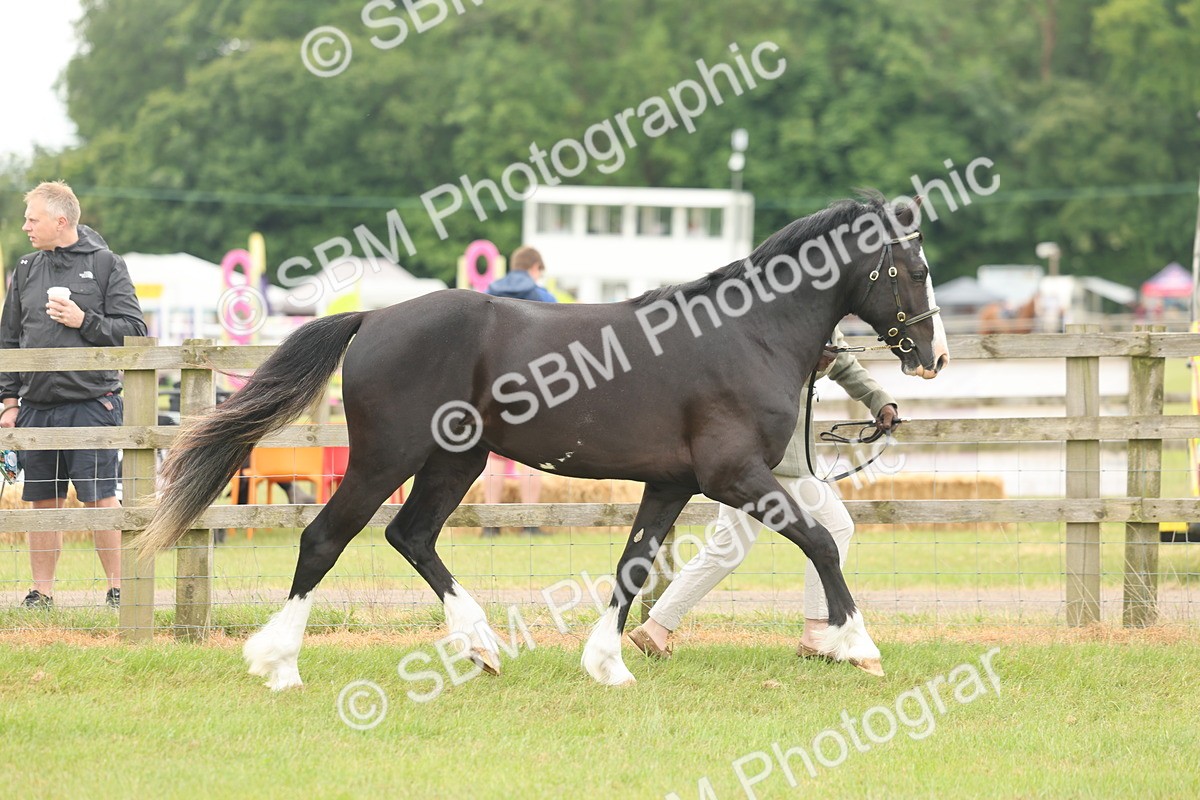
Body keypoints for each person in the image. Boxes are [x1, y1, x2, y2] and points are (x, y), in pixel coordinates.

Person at [627, 326, 899, 673]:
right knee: (835, 526)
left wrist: (880, 399)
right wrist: (810, 366)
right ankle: (816, 632)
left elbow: (845, 363)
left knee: (728, 546)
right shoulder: (773, 312)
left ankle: (656, 627)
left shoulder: (822, 313)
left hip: (761, 457)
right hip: (774, 457)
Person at [1, 181, 147, 609]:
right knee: (41, 501)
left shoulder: (106, 265)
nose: (25, 225)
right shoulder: (25, 268)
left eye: (32, 218)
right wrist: (9, 402)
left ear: (60, 221)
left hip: (93, 403)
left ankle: (120, 590)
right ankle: (41, 594)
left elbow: (134, 332)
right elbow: (9, 340)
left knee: (100, 496)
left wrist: (85, 319)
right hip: (36, 406)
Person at [481, 246, 556, 537]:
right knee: (532, 453)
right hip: (531, 382)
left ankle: (489, 524)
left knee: (493, 455)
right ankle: (529, 523)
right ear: (535, 267)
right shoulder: (542, 296)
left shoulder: (490, 293)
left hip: (492, 381)